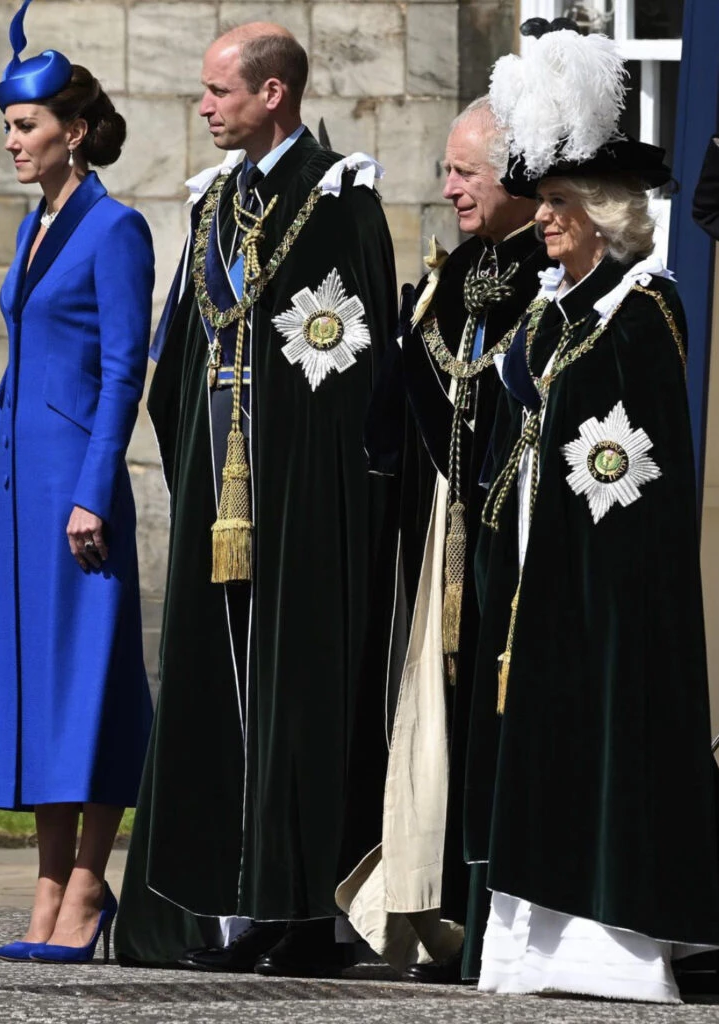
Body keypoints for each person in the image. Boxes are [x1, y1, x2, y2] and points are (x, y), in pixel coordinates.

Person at [114, 23, 397, 976]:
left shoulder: (338, 201)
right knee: (212, 691)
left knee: (296, 700)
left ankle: (300, 912)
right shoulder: (214, 202)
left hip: (300, 502)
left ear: (271, 94)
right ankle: (216, 909)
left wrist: (308, 487)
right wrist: (201, 467)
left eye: (217, 91)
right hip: (217, 494)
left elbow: (354, 373)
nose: (202, 106)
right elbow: (181, 358)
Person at [465, 21, 719, 1001]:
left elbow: (635, 461)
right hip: (538, 565)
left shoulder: (643, 309)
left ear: (604, 215)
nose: (542, 219)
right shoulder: (546, 313)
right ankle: (527, 947)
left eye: (559, 204)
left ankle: (614, 948)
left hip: (606, 579)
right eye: (542, 204)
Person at [0, 0, 154, 964]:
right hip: (24, 495)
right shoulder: (36, 226)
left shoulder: (116, 229)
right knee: (33, 686)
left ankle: (88, 886)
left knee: (85, 685)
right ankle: (47, 887)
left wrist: (91, 490)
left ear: (73, 129)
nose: (12, 142)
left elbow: (123, 371)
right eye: (8, 126)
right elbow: (15, 370)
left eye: (25, 125)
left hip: (77, 492)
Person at [336, 97, 548, 984]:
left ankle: (495, 912)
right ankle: (439, 912)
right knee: (436, 720)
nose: (450, 187)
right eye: (447, 171)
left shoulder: (549, 271)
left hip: (515, 537)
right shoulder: (458, 269)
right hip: (442, 538)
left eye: (466, 172)